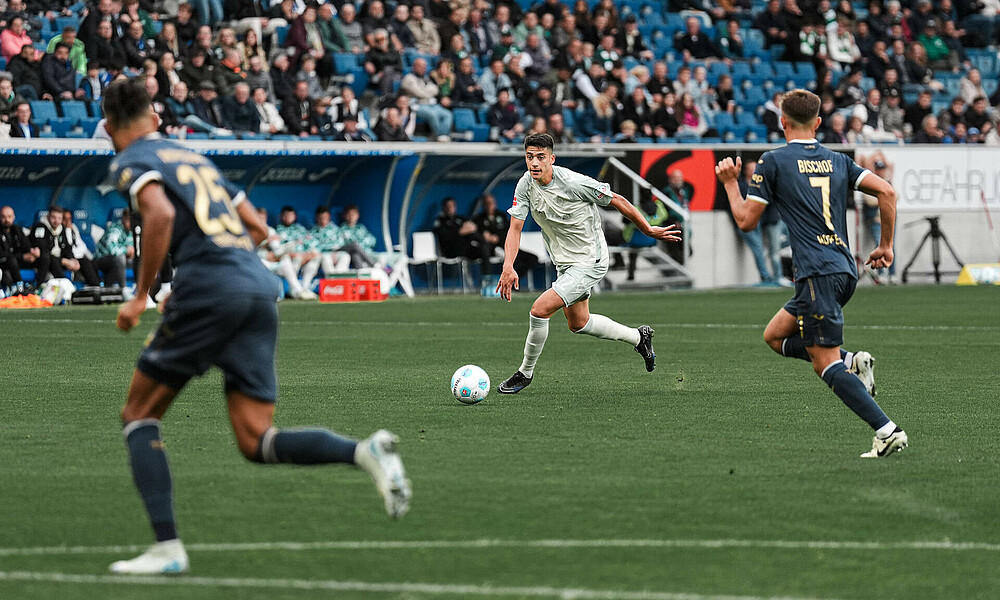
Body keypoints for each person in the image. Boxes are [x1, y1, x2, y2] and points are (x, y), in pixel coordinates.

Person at [101, 79, 411, 574]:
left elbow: (157, 214)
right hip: (257, 286)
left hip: (211, 289)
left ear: (109, 127)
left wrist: (142, 295)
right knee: (255, 440)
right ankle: (363, 452)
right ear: (157, 119)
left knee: (138, 414)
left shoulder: (131, 159)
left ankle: (167, 549)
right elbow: (261, 228)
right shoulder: (195, 158)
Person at [715, 88, 908, 458]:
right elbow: (886, 192)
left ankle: (887, 430)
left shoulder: (774, 161)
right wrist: (886, 245)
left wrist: (729, 183)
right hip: (843, 270)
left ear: (782, 123)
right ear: (818, 123)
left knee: (824, 364)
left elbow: (745, 221)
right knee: (774, 336)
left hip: (817, 273)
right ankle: (852, 361)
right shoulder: (838, 160)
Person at [495, 133, 682, 394]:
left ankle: (524, 373)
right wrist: (508, 265)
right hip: (565, 263)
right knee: (579, 323)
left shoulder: (573, 182)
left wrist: (648, 229)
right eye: (529, 157)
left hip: (590, 259)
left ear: (552, 158)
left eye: (540, 157)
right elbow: (515, 228)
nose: (534, 163)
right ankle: (639, 338)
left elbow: (618, 200)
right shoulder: (525, 185)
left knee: (539, 310)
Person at [474, 193, 537, 278]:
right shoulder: (479, 219)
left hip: (504, 245)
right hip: (488, 248)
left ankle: (512, 281)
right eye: (486, 203)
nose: (489, 206)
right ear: (483, 205)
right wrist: (485, 236)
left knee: (531, 258)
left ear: (495, 203)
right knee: (484, 251)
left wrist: (497, 237)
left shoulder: (502, 216)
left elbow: (510, 231)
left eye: (491, 203)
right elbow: (476, 233)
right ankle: (487, 280)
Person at [275, 205, 322, 292]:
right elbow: (278, 249)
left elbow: (311, 243)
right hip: (289, 258)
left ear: (295, 216)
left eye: (291, 215)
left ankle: (305, 286)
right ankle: (293, 288)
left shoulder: (300, 229)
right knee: (297, 258)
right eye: (286, 215)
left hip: (304, 255)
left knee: (317, 257)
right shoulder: (277, 230)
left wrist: (308, 254)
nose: (289, 218)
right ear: (281, 216)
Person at [94, 208, 135, 288]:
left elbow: (133, 249)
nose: (131, 223)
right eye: (129, 220)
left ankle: (141, 289)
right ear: (124, 219)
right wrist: (127, 251)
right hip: (101, 260)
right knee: (120, 258)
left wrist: (132, 253)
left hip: (116, 261)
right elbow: (111, 249)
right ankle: (123, 289)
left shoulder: (131, 231)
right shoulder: (115, 228)